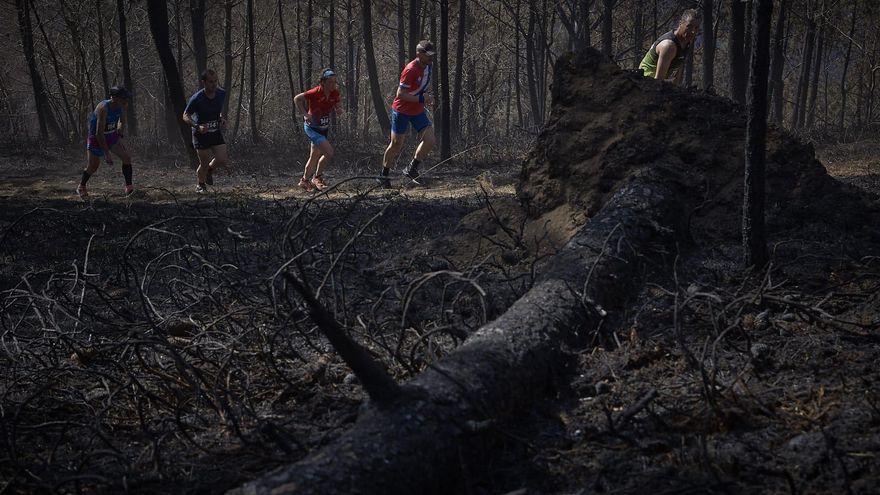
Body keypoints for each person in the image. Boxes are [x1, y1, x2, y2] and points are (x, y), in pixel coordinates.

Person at [378, 40, 436, 188]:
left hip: (417, 110)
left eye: (432, 55)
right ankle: (383, 175)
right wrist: (423, 98)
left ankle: (411, 169)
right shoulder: (410, 70)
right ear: (419, 54)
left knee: (430, 140)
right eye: (428, 55)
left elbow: (423, 86)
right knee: (397, 144)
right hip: (402, 110)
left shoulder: (429, 67)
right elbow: (400, 94)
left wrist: (428, 97)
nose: (431, 58)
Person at [77, 86, 134, 198]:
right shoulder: (103, 108)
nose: (126, 100)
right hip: (97, 138)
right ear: (114, 97)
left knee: (126, 158)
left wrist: (119, 132)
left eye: (126, 98)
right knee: (93, 166)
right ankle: (81, 186)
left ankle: (129, 188)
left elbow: (122, 121)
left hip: (111, 136)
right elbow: (99, 133)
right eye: (123, 98)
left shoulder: (122, 105)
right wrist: (107, 154)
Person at [294, 68, 343, 191]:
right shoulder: (315, 92)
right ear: (323, 82)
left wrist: (338, 108)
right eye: (330, 82)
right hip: (312, 128)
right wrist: (305, 114)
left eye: (334, 82)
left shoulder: (335, 93)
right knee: (329, 152)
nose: (333, 84)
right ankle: (317, 177)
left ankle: (304, 181)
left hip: (323, 128)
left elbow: (337, 102)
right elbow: (297, 99)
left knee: (315, 155)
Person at [183, 69, 228, 194]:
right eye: (210, 82)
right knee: (204, 162)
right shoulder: (197, 98)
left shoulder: (221, 93)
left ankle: (208, 171)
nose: (214, 84)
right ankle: (200, 185)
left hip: (214, 131)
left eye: (215, 81)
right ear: (204, 82)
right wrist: (197, 127)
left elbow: (218, 108)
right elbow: (185, 115)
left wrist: (221, 118)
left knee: (222, 159)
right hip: (200, 134)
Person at [638, 9, 700, 84]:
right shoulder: (669, 46)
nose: (693, 31)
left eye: (696, 28)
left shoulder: (686, 41)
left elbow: (678, 66)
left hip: (658, 84)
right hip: (645, 83)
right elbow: (658, 81)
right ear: (680, 24)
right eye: (689, 26)